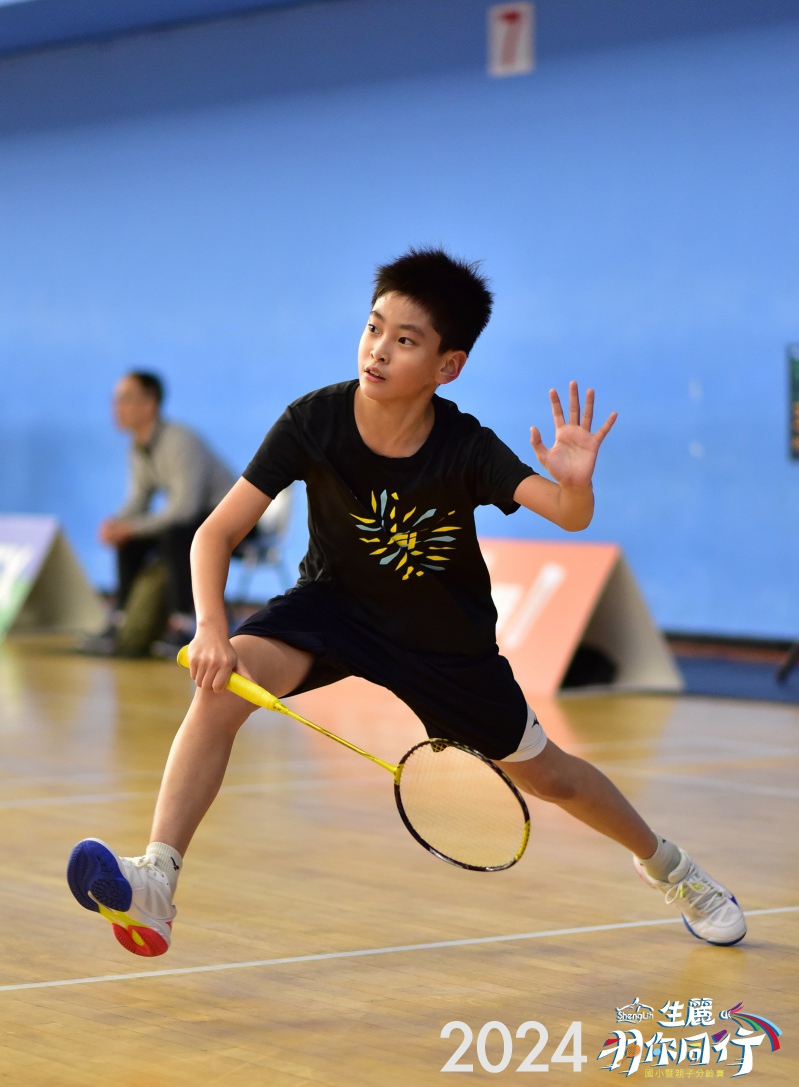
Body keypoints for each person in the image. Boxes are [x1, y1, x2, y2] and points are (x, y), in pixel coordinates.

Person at [67, 249, 746, 956]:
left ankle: (672, 869)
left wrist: (574, 484)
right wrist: (211, 627)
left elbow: (568, 515)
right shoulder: (313, 420)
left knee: (551, 778)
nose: (378, 350)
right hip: (332, 609)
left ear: (447, 365)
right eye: (373, 328)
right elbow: (215, 532)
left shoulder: (465, 447)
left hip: (441, 640)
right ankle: (157, 880)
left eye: (405, 340)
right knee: (224, 683)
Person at [84, 370, 235, 656]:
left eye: (125, 399)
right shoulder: (138, 446)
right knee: (130, 540)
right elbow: (139, 498)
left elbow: (185, 508)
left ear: (150, 404)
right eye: (115, 399)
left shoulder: (180, 441)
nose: (117, 407)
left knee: (177, 535)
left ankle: (182, 624)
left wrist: (131, 526)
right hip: (194, 521)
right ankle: (123, 619)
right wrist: (117, 524)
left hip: (232, 522)